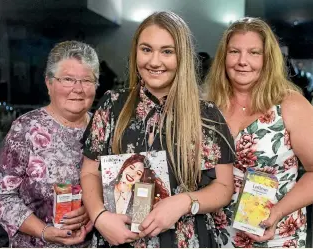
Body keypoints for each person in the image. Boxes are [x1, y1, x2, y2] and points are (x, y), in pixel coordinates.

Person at [80, 11, 235, 248]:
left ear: (181, 56)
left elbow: (224, 188)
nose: (154, 61)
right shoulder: (112, 106)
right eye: (146, 49)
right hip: (118, 238)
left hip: (185, 240)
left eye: (167, 51)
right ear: (135, 52)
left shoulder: (207, 115)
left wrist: (184, 202)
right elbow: (89, 172)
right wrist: (99, 217)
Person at [205, 17, 313, 248]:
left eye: (254, 52)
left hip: (274, 236)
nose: (243, 61)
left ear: (268, 59)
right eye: (234, 51)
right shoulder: (207, 106)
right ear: (224, 57)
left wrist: (276, 213)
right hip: (214, 236)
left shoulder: (291, 105)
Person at [0, 40, 99, 247]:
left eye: (87, 80)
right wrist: (45, 232)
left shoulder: (104, 128)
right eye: (68, 79)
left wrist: (94, 208)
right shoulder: (25, 128)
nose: (78, 89)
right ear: (49, 82)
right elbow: (3, 196)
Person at [103, 153, 170, 215]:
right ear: (124, 167)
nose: (132, 174)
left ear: (140, 178)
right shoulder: (105, 188)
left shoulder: (139, 199)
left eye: (138, 173)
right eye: (131, 168)